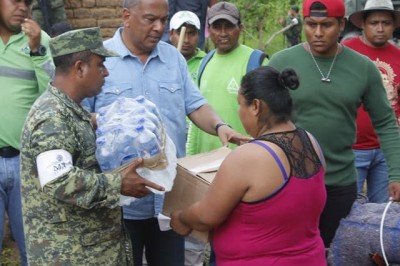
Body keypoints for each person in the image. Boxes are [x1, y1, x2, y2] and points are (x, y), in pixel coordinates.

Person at [82, 1, 247, 265]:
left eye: (163, 19)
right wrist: (113, 122)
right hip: (119, 204)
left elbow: (195, 105)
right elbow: (80, 119)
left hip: (169, 199)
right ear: (126, 16)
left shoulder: (173, 59)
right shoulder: (101, 58)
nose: (159, 28)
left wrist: (220, 126)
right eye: (150, 19)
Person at [20, 27, 165, 264]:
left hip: (90, 250)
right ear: (79, 68)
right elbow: (59, 180)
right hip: (69, 255)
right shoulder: (52, 117)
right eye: (100, 64)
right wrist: (118, 183)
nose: (106, 72)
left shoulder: (71, 111)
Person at [268, 0, 400, 248]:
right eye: (311, 25)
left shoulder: (362, 68)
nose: (318, 33)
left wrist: (396, 173)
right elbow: (262, 119)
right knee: (290, 251)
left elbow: (385, 122)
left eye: (326, 25)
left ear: (341, 24)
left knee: (335, 251)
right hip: (290, 183)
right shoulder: (280, 62)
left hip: (340, 183)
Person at [171, 66, 327, 265]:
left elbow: (206, 216)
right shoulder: (311, 142)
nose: (239, 111)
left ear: (255, 106)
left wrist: (182, 218)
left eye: (240, 104)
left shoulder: (250, 157)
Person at [0, 0, 53, 264]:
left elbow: (53, 93)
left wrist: (37, 51)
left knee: (33, 248)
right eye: (14, 0)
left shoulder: (40, 38)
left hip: (27, 164)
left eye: (27, 2)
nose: (22, 7)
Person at [186, 1, 267, 156]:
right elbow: (195, 115)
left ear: (241, 28)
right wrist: (190, 155)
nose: (223, 33)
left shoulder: (256, 62)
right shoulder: (205, 62)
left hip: (243, 160)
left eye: (229, 26)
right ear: (209, 30)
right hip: (204, 161)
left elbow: (268, 121)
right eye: (217, 27)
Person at [342, 0, 400, 203]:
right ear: (363, 24)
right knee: (347, 209)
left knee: (384, 211)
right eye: (374, 22)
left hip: (386, 150)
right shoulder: (345, 52)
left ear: (393, 25)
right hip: (352, 148)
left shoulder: (398, 57)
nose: (380, 28)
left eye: (386, 22)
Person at [169, 10, 206, 81]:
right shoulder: (161, 60)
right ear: (170, 34)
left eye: (191, 33)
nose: (186, 40)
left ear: (198, 35)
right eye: (180, 33)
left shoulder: (206, 62)